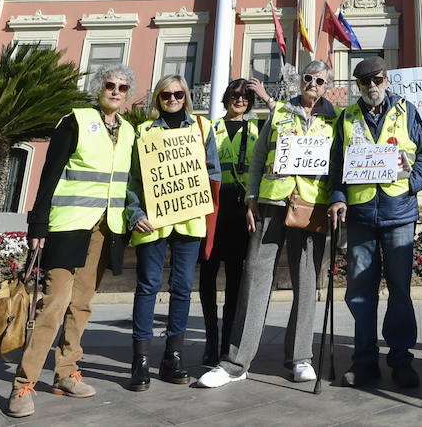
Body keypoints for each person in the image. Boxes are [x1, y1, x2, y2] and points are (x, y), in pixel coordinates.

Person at [194, 61, 337, 390]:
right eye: (307, 77)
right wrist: (251, 198)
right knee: (255, 280)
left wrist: (337, 202)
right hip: (271, 203)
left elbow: (340, 163)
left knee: (305, 284)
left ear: (327, 86)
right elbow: (259, 157)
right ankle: (235, 362)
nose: (312, 83)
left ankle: (301, 357)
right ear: (300, 81)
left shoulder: (335, 119)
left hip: (311, 207)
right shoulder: (280, 112)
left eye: (319, 80)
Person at [8, 64, 139, 418]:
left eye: (122, 87)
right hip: (67, 225)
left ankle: (66, 372)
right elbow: (50, 173)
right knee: (52, 306)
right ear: (98, 87)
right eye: (110, 85)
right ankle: (23, 386)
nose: (115, 91)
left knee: (82, 305)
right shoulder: (75, 120)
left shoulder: (128, 132)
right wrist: (37, 224)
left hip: (105, 227)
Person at [327, 56, 422, 389]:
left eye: (378, 80)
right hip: (360, 216)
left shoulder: (407, 111)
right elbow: (335, 166)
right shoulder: (346, 117)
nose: (372, 87)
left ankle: (401, 359)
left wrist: (414, 183)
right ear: (357, 85)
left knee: (400, 290)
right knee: (360, 292)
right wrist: (338, 198)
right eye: (364, 82)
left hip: (398, 212)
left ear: (387, 80)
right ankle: (364, 361)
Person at [125, 73, 221, 391]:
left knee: (181, 289)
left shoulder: (202, 128)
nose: (173, 100)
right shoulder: (143, 132)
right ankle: (139, 361)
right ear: (158, 99)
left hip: (189, 219)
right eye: (166, 95)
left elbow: (213, 171)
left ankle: (172, 357)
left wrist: (201, 191)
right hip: (152, 221)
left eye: (178, 95)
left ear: (186, 97)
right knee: (148, 287)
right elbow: (132, 178)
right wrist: (135, 213)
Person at [199, 78, 260, 364]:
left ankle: (227, 344)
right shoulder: (209, 128)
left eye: (245, 96)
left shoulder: (257, 130)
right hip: (213, 209)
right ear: (226, 99)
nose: (240, 100)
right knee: (208, 276)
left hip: (241, 209)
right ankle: (211, 340)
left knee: (236, 278)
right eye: (235, 95)